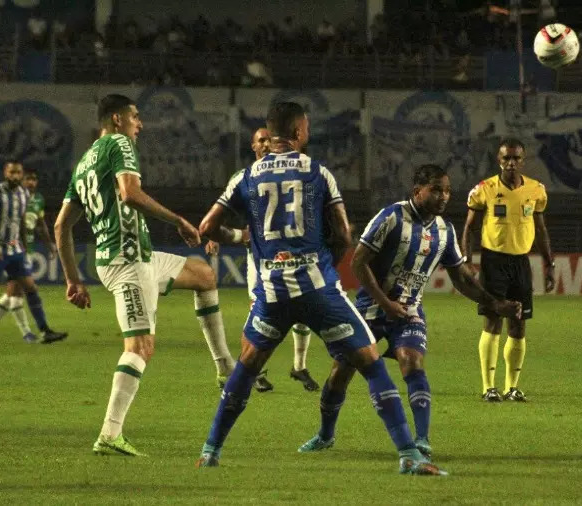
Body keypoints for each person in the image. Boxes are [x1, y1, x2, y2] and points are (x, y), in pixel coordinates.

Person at [195, 102, 442, 475]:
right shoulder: (317, 172)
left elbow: (208, 226)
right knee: (372, 363)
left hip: (272, 293)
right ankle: (409, 454)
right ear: (298, 132)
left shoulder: (245, 177)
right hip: (318, 289)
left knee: (247, 367)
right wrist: (324, 256)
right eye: (306, 127)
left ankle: (211, 451)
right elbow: (344, 234)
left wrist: (245, 235)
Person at [298, 165, 521, 459]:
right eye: (436, 190)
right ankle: (325, 435)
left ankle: (422, 439)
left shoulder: (444, 230)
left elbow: (461, 278)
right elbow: (358, 264)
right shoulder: (390, 217)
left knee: (412, 362)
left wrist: (495, 304)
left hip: (409, 311)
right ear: (418, 191)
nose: (444, 196)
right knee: (341, 371)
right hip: (368, 309)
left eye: (447, 190)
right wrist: (385, 303)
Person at [53, 94, 235, 456]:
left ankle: (225, 368)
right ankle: (109, 433)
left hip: (139, 257)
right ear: (117, 120)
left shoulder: (85, 162)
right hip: (128, 261)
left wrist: (73, 279)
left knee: (204, 276)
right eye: (135, 117)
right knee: (140, 347)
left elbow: (61, 226)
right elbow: (131, 194)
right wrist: (179, 220)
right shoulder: (119, 143)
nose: (141, 124)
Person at [205, 127, 319, 392]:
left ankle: (299, 366)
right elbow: (222, 211)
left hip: (295, 252)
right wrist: (216, 235)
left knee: (302, 309)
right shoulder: (244, 177)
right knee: (260, 310)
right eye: (261, 140)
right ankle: (255, 370)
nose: (267, 144)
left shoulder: (291, 172)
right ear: (253, 146)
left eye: (270, 138)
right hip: (260, 256)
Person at [461, 138, 555, 403]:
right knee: (493, 321)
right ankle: (488, 387)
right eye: (506, 158)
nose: (511, 163)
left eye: (516, 158)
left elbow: (542, 229)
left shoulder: (536, 190)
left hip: (521, 263)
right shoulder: (484, 189)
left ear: (523, 161)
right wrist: (467, 260)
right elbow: (469, 228)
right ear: (498, 160)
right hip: (493, 261)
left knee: (519, 324)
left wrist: (549, 263)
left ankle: (512, 387)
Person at [0, 161, 67, 345]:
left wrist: (22, 244)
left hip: (15, 250)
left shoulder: (23, 194)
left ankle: (45, 331)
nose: (15, 176)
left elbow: (21, 221)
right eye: (12, 172)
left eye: (18, 172)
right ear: (5, 172)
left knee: (31, 288)